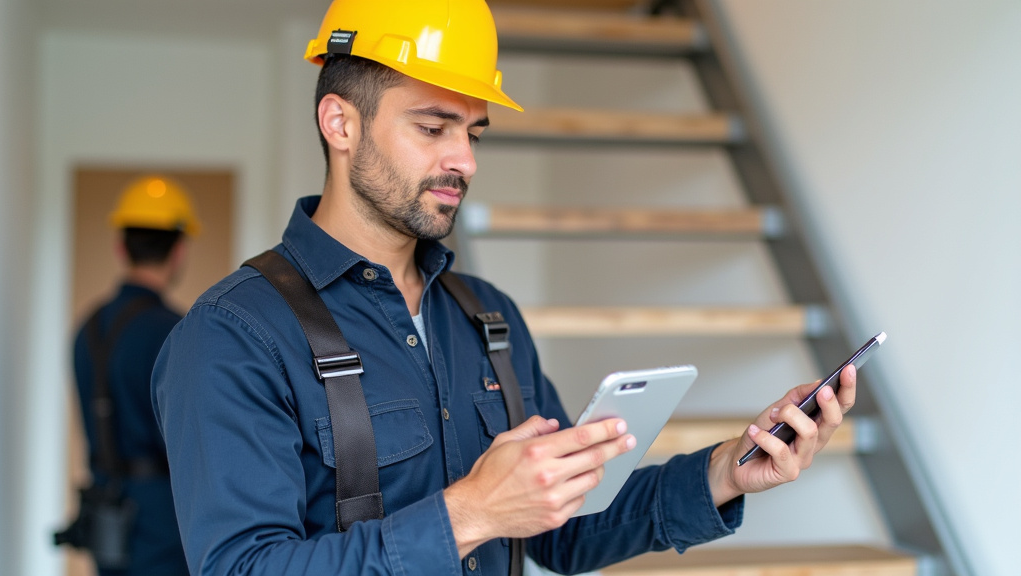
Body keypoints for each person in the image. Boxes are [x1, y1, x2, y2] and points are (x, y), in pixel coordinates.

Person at [151, 1, 857, 575]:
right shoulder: (233, 336)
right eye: (433, 127)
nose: (463, 160)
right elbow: (245, 567)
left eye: (474, 134)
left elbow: (566, 529)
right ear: (340, 122)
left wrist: (727, 471)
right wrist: (471, 515)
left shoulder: (487, 317)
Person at [68, 175, 198, 576]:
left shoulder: (87, 328)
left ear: (120, 246)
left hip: (108, 514)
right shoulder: (178, 331)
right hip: (164, 519)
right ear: (178, 251)